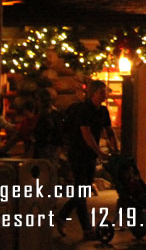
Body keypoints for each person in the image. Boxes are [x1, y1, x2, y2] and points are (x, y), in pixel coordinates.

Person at [56, 80, 118, 241]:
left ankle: (61, 216)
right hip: (78, 153)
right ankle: (87, 229)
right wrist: (99, 152)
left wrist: (115, 149)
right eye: (101, 92)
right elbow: (86, 133)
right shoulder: (84, 110)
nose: (104, 95)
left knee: (82, 191)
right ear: (93, 93)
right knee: (81, 190)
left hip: (90, 155)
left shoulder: (103, 111)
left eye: (105, 92)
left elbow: (109, 131)